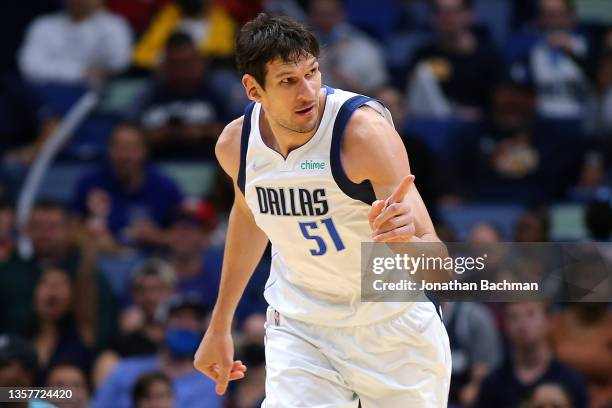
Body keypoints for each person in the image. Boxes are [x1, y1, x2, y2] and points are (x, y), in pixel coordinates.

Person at [193, 14, 451, 407]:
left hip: (391, 328)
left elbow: (442, 269)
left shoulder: (363, 135)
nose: (308, 91)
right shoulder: (236, 144)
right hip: (301, 326)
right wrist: (219, 325)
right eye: (288, 81)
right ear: (253, 89)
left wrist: (406, 243)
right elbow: (249, 218)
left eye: (312, 72)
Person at [71, 122, 184, 248]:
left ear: (145, 151)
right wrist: (92, 238)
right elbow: (72, 228)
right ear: (109, 150)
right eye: (118, 147)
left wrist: (158, 237)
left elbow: (185, 235)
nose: (125, 156)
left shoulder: (165, 187)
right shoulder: (90, 183)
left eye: (131, 148)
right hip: (101, 259)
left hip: (151, 260)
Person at [475, 302, 589, 408]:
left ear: (548, 320)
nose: (522, 323)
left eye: (530, 314)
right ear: (505, 325)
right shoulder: (492, 384)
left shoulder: (571, 380)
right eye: (513, 316)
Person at [18, 0, 131, 84]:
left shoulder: (114, 25)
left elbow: (118, 64)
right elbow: (29, 66)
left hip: (92, 93)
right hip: (46, 91)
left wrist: (103, 18)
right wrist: (82, 72)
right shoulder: (43, 24)